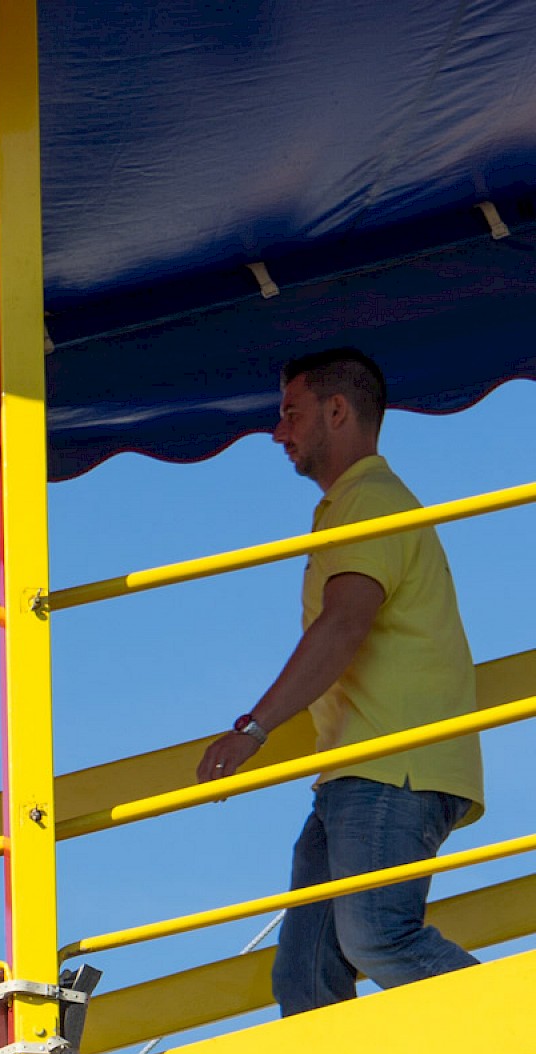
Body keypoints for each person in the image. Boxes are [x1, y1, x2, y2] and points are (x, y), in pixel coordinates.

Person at [197, 348, 483, 1017]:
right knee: (304, 973)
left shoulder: (371, 500)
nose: (278, 432)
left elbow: (345, 622)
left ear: (337, 410)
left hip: (394, 763)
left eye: (290, 413)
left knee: (378, 936)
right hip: (357, 770)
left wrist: (254, 729)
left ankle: (514, 1030)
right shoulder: (350, 505)